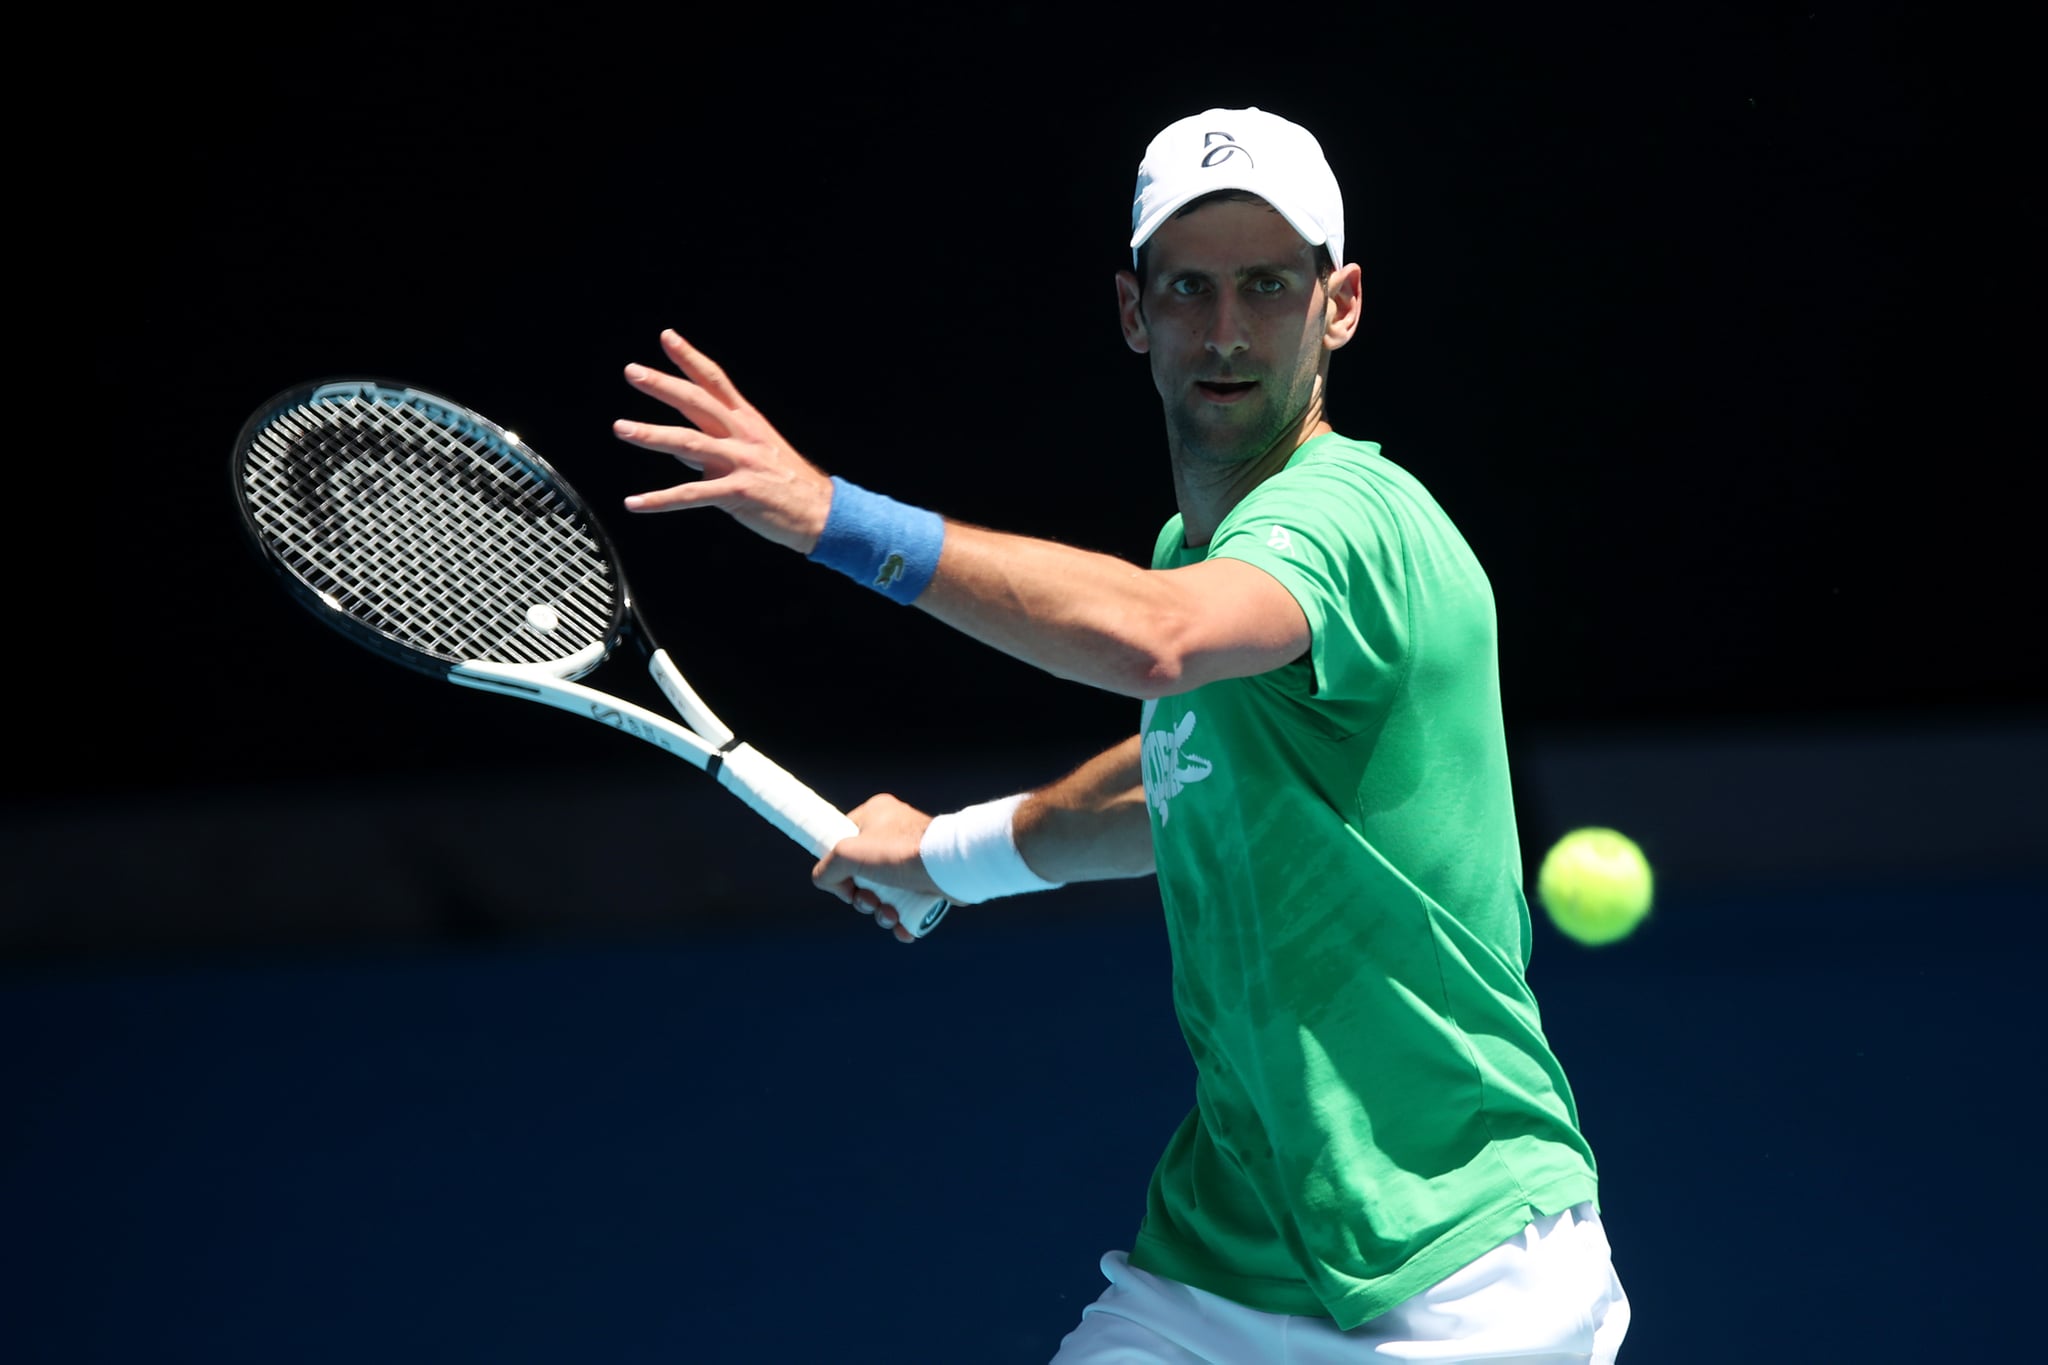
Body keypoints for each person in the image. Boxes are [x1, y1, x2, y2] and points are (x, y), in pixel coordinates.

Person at [613, 107, 1630, 1364]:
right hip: (1225, 1260)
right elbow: (1176, 780)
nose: (1222, 331)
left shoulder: (1356, 521)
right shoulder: (1193, 551)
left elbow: (1156, 644)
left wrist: (832, 517)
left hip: (1460, 1270)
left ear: (1341, 304)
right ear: (1131, 313)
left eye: (1266, 286)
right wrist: (945, 854)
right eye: (1187, 289)